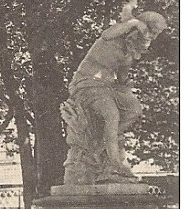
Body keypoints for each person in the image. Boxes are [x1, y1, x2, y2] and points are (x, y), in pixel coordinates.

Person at [66, 9, 166, 182]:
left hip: (106, 87)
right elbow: (107, 33)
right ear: (142, 28)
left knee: (134, 108)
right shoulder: (113, 36)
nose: (153, 37)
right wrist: (134, 22)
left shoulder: (129, 51)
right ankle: (113, 164)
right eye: (153, 32)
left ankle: (103, 142)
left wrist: (127, 84)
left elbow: (122, 78)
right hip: (86, 83)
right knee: (111, 115)